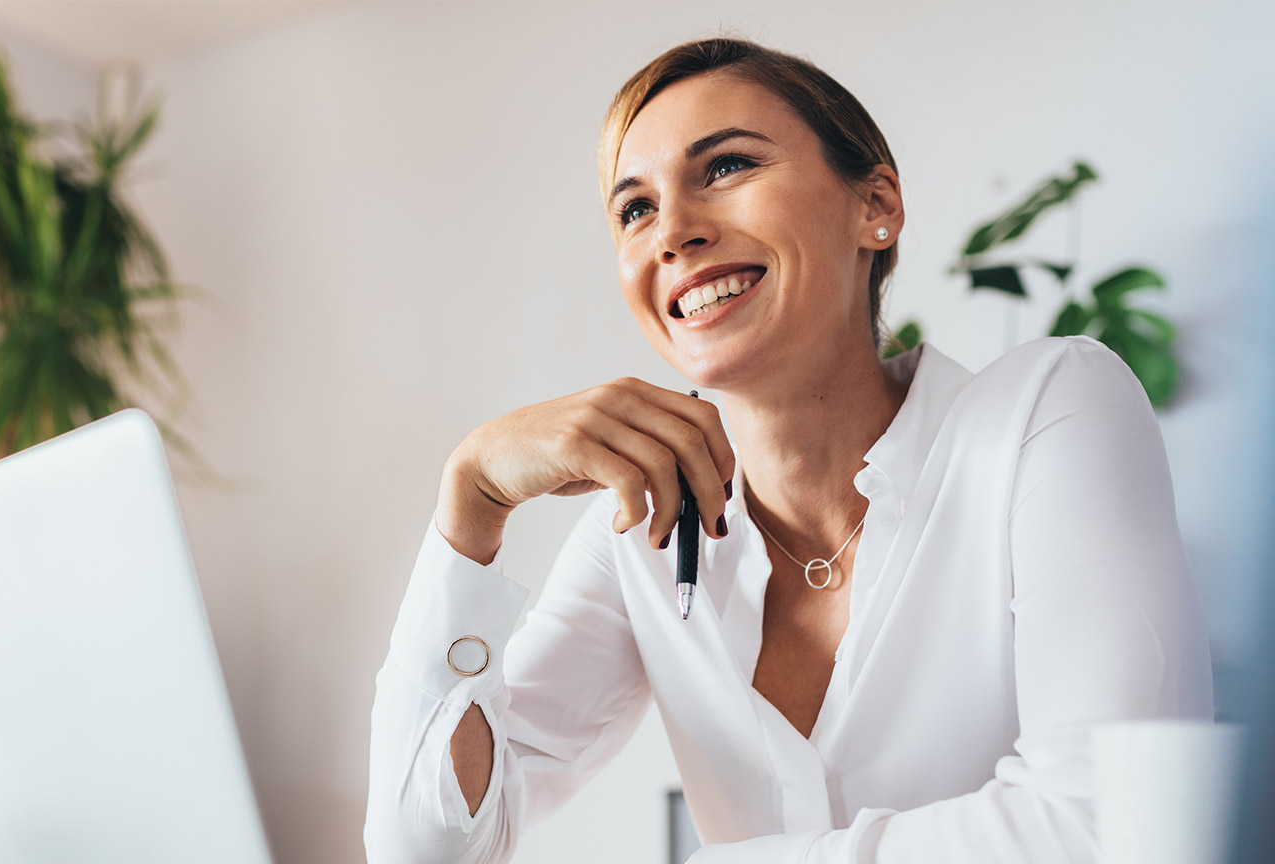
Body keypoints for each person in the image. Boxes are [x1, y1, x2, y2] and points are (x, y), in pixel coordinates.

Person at [363, 36, 1213, 863]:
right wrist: (471, 502)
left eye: (727, 166)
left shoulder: (1047, 411)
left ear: (875, 205)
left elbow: (1123, 827)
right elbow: (427, 850)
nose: (673, 232)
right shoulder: (641, 541)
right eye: (635, 209)